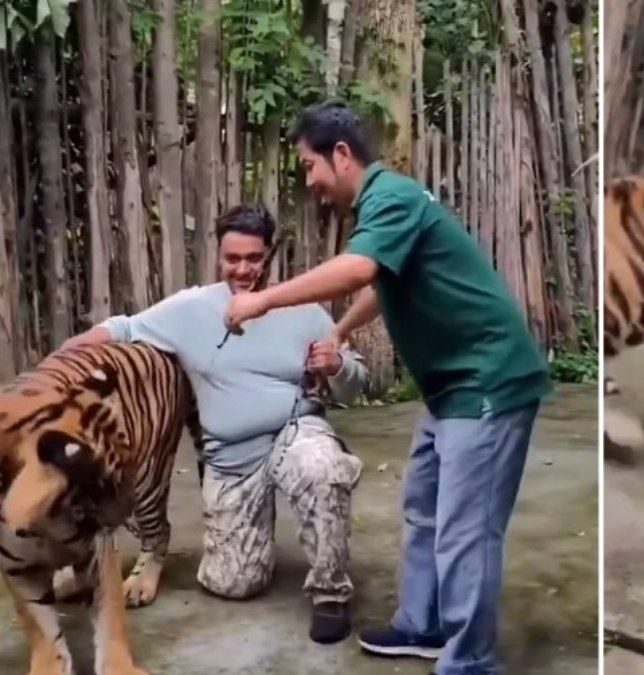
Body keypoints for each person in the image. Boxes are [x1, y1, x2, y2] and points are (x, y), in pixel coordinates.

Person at [223, 100, 552, 675]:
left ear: (341, 155)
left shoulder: (391, 197)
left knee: (465, 530)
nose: (310, 181)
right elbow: (382, 277)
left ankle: (470, 660)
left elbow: (357, 270)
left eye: (309, 165)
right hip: (451, 388)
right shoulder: (386, 206)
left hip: (488, 381)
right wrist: (342, 328)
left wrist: (262, 300)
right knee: (423, 509)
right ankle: (424, 625)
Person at [59, 205, 368, 643]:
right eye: (233, 258)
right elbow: (125, 328)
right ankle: (253, 532)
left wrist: (337, 365)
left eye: (254, 258)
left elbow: (355, 387)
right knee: (233, 583)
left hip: (296, 430)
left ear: (270, 256)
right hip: (233, 460)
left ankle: (330, 592)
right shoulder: (192, 309)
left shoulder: (304, 309)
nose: (243, 269)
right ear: (218, 254)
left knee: (321, 466)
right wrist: (63, 357)